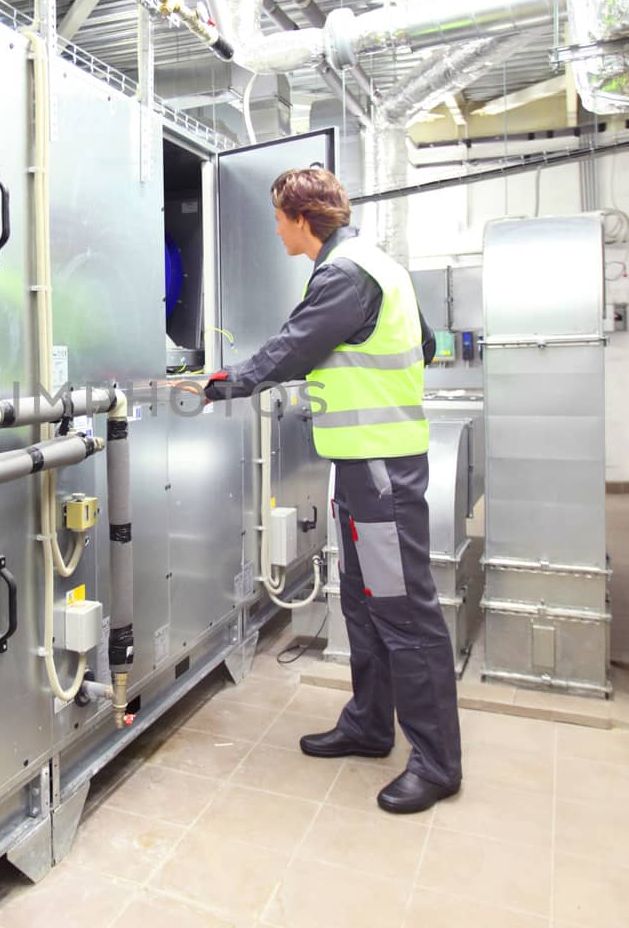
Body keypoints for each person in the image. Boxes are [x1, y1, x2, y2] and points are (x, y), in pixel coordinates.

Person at [201, 167, 462, 814]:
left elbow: (292, 349)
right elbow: (424, 345)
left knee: (402, 609)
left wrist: (220, 383)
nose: (276, 227)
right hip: (361, 466)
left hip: (380, 471)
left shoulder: (346, 274)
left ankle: (436, 762)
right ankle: (371, 723)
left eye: (278, 216)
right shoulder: (376, 265)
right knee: (365, 601)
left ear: (300, 218)